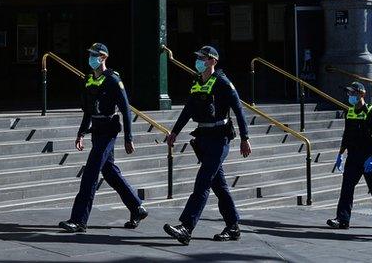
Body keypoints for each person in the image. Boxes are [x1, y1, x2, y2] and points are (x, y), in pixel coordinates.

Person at [163, 45, 252, 246]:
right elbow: (187, 110)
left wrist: (245, 138)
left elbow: (238, 109)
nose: (199, 61)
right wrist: (175, 132)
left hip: (220, 139)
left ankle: (186, 227)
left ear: (213, 61)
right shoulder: (197, 81)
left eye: (203, 58)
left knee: (202, 182)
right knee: (219, 186)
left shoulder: (222, 82)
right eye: (198, 58)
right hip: (204, 138)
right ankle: (233, 226)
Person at [59, 43, 148, 233]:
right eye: (90, 54)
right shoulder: (89, 80)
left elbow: (125, 110)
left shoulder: (113, 80)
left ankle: (78, 220)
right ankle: (137, 207)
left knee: (90, 173)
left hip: (108, 131)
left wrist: (128, 137)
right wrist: (81, 133)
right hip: (97, 130)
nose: (91, 58)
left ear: (103, 57)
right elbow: (87, 111)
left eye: (95, 55)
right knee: (109, 172)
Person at [326, 81, 372, 230]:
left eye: (353, 93)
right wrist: (340, 154)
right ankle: (342, 219)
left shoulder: (371, 112)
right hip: (353, 156)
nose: (350, 96)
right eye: (349, 93)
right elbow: (346, 135)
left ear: (362, 94)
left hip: (368, 156)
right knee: (347, 188)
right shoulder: (349, 112)